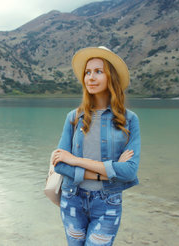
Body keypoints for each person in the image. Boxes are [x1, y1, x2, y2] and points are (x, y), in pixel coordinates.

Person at [52, 46, 141, 246]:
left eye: (98, 71)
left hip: (108, 203)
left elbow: (129, 172)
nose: (90, 77)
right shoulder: (74, 117)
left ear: (112, 77)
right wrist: (109, 171)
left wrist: (75, 160)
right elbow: (59, 164)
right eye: (87, 72)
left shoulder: (129, 120)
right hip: (72, 198)